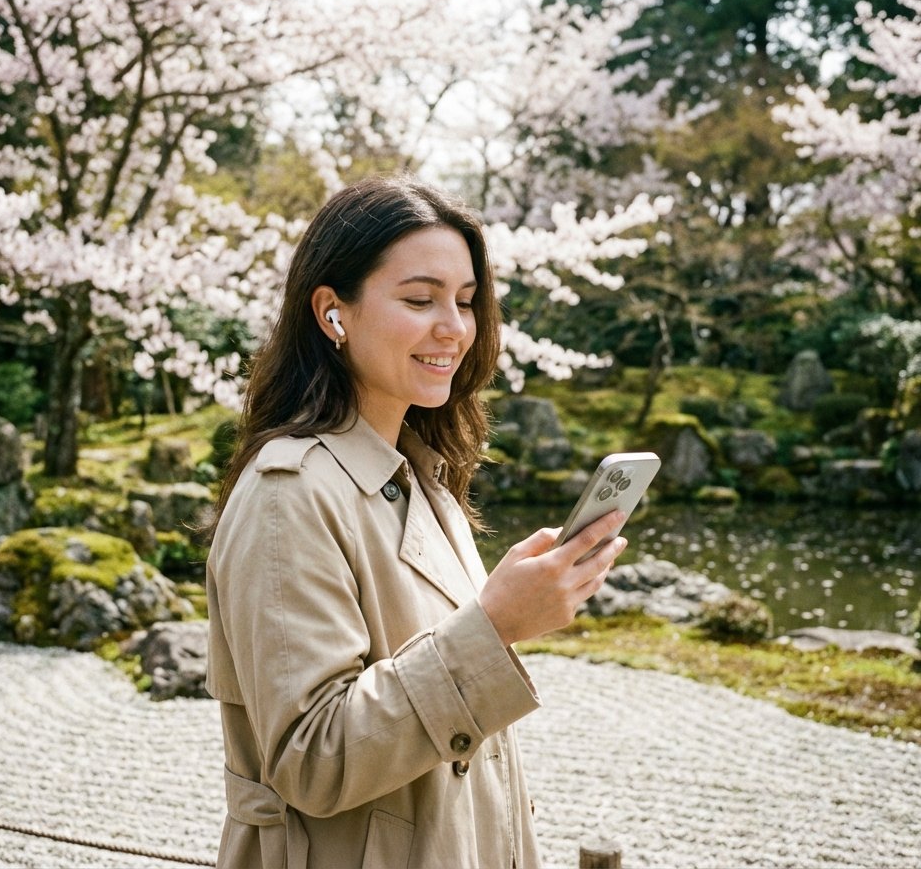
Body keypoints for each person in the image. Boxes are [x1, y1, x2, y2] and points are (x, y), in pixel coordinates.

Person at [205, 177, 627, 868]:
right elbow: (311, 758)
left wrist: (506, 606)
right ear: (332, 313)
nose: (455, 329)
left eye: (465, 302)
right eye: (419, 299)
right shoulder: (289, 494)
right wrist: (495, 627)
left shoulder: (422, 474)